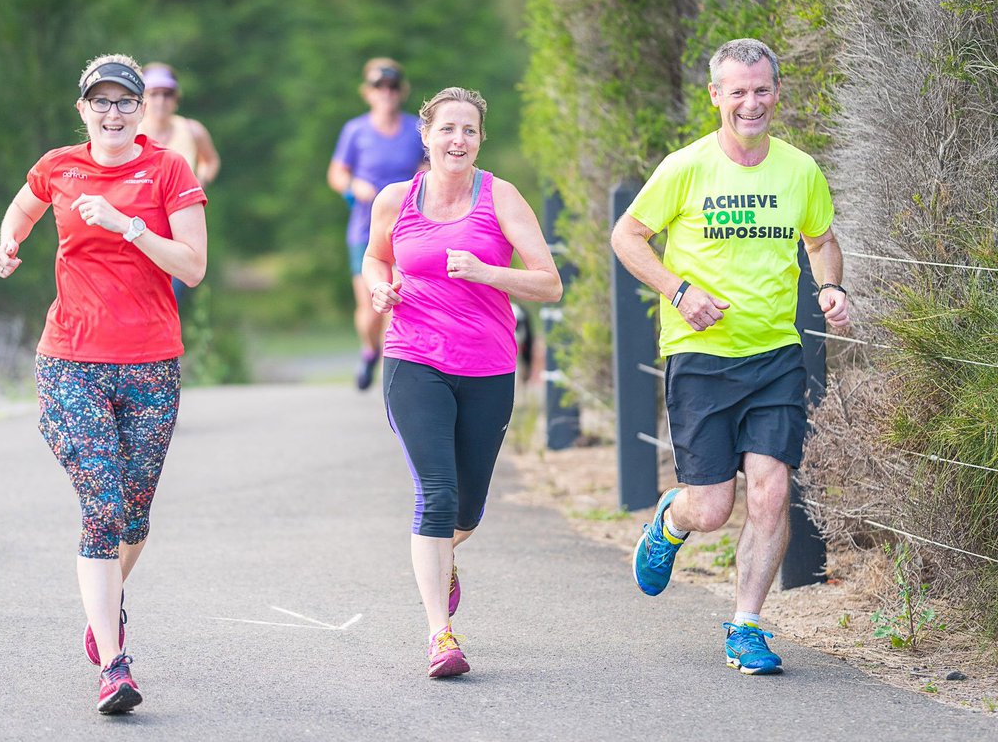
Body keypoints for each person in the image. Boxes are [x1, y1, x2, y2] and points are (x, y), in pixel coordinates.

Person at [610, 38, 850, 675]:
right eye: (737, 91)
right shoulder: (686, 167)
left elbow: (822, 240)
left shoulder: (800, 170)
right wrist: (677, 290)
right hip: (700, 357)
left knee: (771, 493)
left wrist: (830, 286)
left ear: (778, 93)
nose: (751, 102)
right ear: (715, 96)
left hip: (775, 356)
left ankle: (746, 626)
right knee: (712, 508)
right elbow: (626, 236)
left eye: (762, 89)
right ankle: (671, 517)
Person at [0, 53, 208, 713]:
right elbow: (22, 210)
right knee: (104, 503)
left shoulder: (168, 169)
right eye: (100, 101)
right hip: (71, 359)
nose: (113, 112)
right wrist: (8, 244)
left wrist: (133, 227)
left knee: (133, 516)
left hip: (151, 361)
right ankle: (114, 663)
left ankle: (102, 608)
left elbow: (193, 267)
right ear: (82, 108)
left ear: (142, 111)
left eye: (125, 101)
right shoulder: (59, 165)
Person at [364, 87, 562, 678]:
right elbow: (376, 259)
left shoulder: (500, 197)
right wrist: (380, 287)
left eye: (470, 130)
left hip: (488, 366)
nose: (458, 140)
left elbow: (549, 283)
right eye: (447, 129)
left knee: (467, 511)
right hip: (413, 358)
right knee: (437, 492)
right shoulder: (396, 199)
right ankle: (440, 635)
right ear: (425, 136)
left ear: (480, 139)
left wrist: (486, 271)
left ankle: (444, 557)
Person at [328, 58, 426, 390]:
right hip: (365, 230)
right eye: (378, 86)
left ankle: (392, 373)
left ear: (402, 91)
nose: (386, 92)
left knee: (395, 304)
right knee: (370, 308)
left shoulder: (416, 130)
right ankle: (369, 349)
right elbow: (337, 173)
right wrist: (353, 186)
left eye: (393, 86)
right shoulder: (355, 131)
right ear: (367, 92)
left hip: (407, 229)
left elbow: (431, 168)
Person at [137, 62, 220, 303]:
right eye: (154, 93)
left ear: (176, 98)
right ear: (142, 98)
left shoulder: (192, 130)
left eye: (167, 94)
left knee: (169, 294)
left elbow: (211, 160)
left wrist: (200, 180)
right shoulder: (131, 132)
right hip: (141, 222)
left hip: (180, 225)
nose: (161, 100)